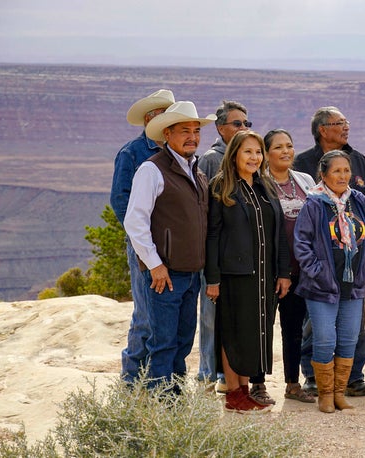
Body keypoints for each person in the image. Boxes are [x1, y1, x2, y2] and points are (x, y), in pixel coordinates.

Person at [123, 100, 215, 391]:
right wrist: (155, 265)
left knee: (183, 341)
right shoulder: (151, 170)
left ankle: (173, 398)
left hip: (191, 275)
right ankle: (161, 406)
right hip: (166, 275)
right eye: (184, 131)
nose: (192, 137)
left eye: (196, 130)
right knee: (162, 343)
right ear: (167, 135)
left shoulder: (197, 173)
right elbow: (135, 222)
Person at [294, 106, 365, 397]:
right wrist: (316, 270)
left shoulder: (360, 161)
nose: (346, 127)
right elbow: (302, 236)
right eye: (339, 123)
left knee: (354, 327)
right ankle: (314, 378)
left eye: (347, 122)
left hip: (355, 271)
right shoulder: (304, 163)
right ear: (322, 129)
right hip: (320, 272)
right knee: (316, 328)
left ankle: (352, 378)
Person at [204, 130, 291, 413]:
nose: (254, 157)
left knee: (253, 334)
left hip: (264, 275)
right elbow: (213, 236)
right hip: (234, 275)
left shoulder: (263, 185)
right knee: (233, 334)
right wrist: (213, 278)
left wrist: (283, 272)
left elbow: (278, 232)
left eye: (257, 152)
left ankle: (244, 390)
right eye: (247, 152)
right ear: (234, 155)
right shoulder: (221, 186)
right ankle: (233, 392)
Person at [111, 89, 175, 385]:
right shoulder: (132, 153)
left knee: (165, 313)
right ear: (151, 119)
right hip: (143, 245)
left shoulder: (176, 151)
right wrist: (143, 242)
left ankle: (160, 378)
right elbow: (121, 202)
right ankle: (132, 379)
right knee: (146, 313)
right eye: (165, 115)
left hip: (175, 245)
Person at [196, 100, 251, 395]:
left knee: (235, 316)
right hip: (216, 252)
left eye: (246, 124)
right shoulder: (210, 160)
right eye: (237, 124)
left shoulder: (249, 157)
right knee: (211, 314)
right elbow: (204, 211)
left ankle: (229, 374)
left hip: (242, 256)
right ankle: (208, 371)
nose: (243, 128)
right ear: (220, 128)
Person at [264, 128, 317, 403]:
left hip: (301, 270)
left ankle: (292, 384)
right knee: (262, 328)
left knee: (293, 329)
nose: (285, 151)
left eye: (289, 146)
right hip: (268, 270)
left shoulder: (305, 180)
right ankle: (257, 385)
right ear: (266, 153)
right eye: (278, 147)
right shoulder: (260, 183)